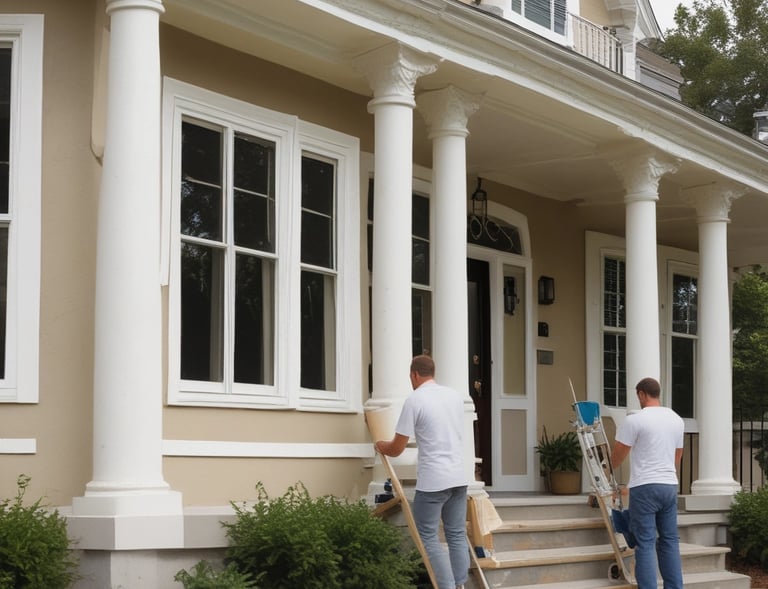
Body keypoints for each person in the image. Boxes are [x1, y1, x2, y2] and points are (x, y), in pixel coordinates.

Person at [375, 354, 469, 589]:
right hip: (459, 476)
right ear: (432, 373)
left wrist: (380, 445)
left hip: (434, 480)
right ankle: (460, 585)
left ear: (414, 375)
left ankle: (446, 587)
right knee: (456, 534)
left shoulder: (415, 400)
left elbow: (396, 448)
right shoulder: (455, 397)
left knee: (428, 537)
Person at [611, 377, 685, 589]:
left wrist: (609, 472)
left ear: (642, 394)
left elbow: (619, 455)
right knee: (670, 541)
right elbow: (677, 456)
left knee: (645, 542)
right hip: (669, 485)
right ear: (657, 393)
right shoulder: (676, 419)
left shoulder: (636, 420)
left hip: (645, 487)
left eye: (638, 396)